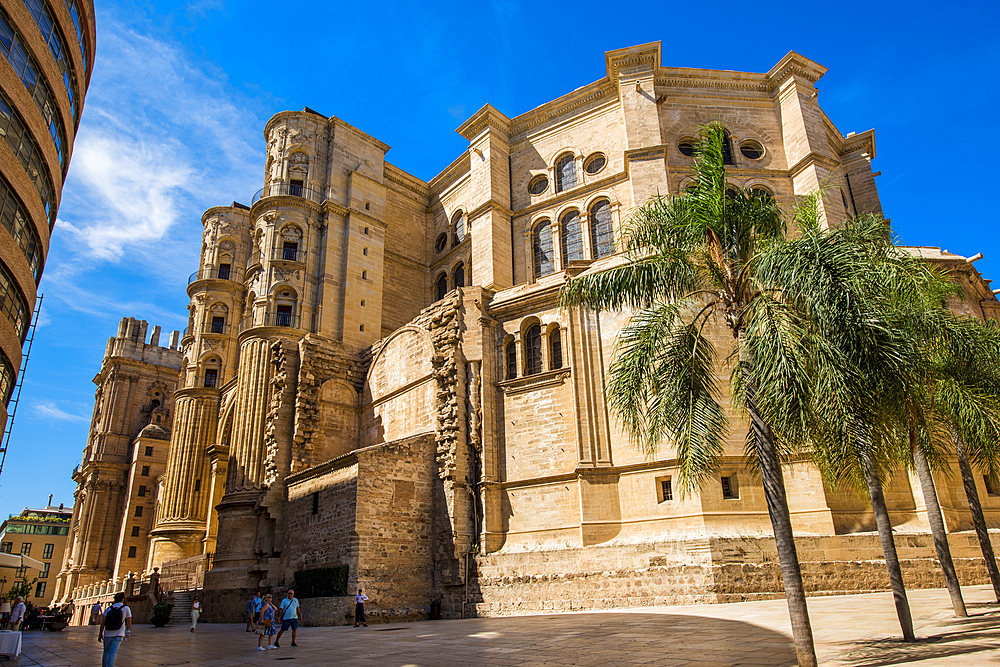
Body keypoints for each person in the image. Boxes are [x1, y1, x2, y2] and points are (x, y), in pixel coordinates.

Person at [97, 592, 131, 667]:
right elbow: (129, 623)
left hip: (107, 633)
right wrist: (128, 633)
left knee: (106, 652)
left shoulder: (109, 608)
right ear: (123, 599)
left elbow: (103, 622)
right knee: (113, 652)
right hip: (119, 634)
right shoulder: (126, 608)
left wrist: (100, 634)